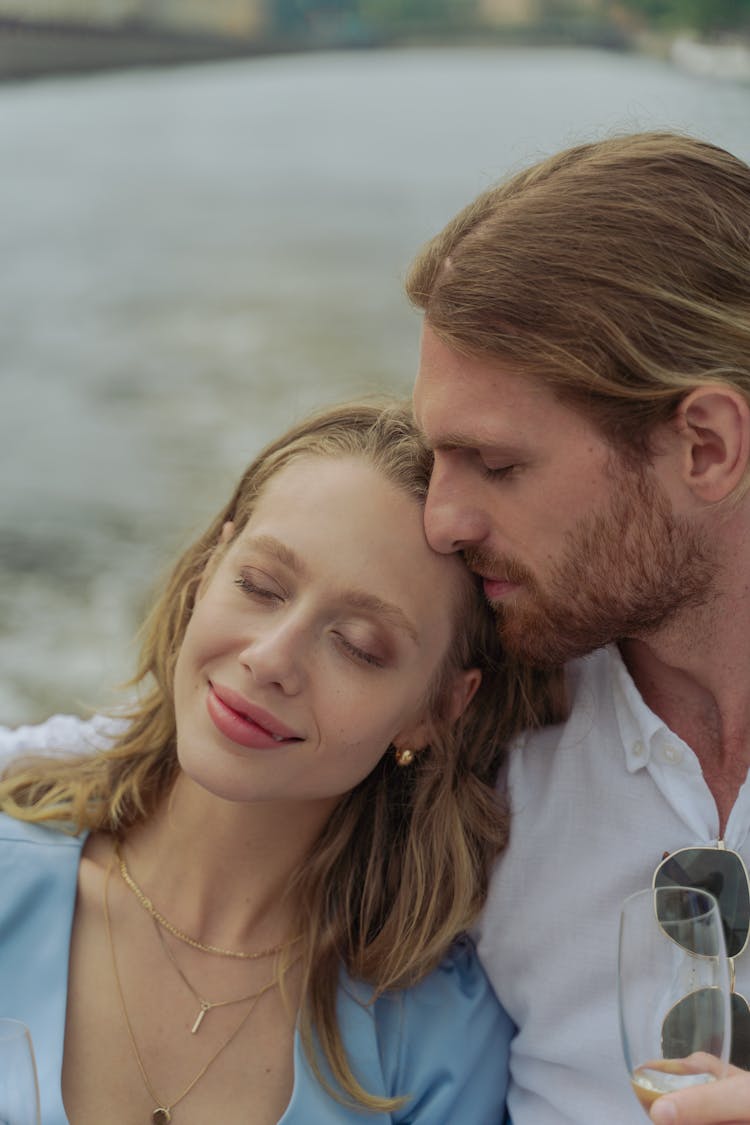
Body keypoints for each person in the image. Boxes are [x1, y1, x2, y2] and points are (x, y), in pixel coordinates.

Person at [0, 399, 562, 1125]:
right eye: (260, 587)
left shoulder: (439, 1037)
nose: (270, 660)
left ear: (438, 709)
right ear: (208, 570)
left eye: (358, 643)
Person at [406, 132, 750, 1124]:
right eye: (438, 460)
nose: (443, 522)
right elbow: (157, 756)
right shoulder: (467, 713)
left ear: (708, 445)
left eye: (498, 467)